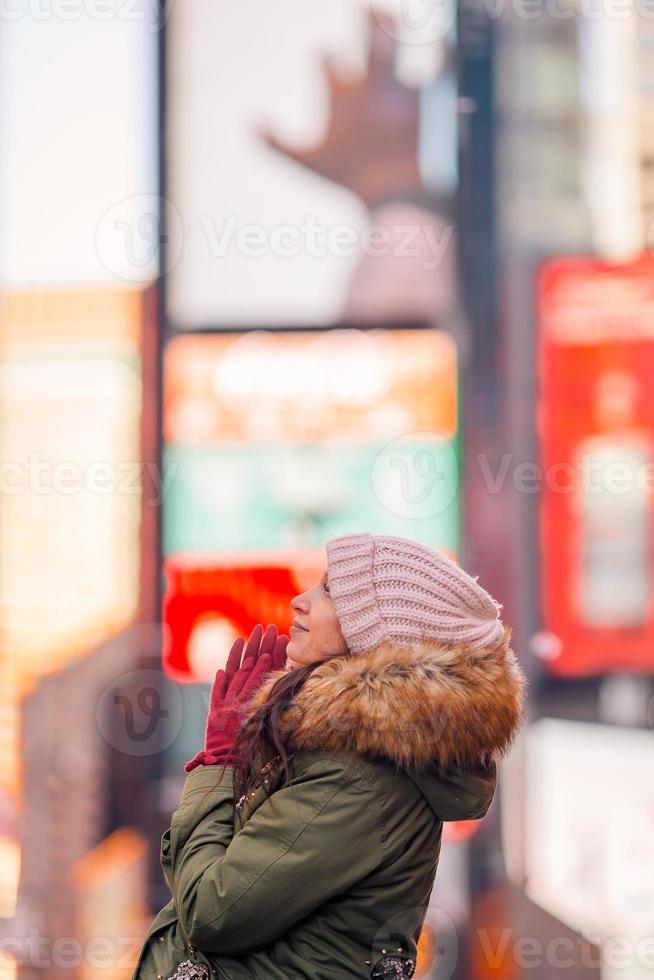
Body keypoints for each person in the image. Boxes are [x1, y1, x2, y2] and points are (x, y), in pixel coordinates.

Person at [132, 533, 526, 979]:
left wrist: (219, 764)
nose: (299, 601)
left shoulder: (356, 776)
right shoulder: (343, 752)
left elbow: (212, 911)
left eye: (329, 591)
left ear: (377, 636)